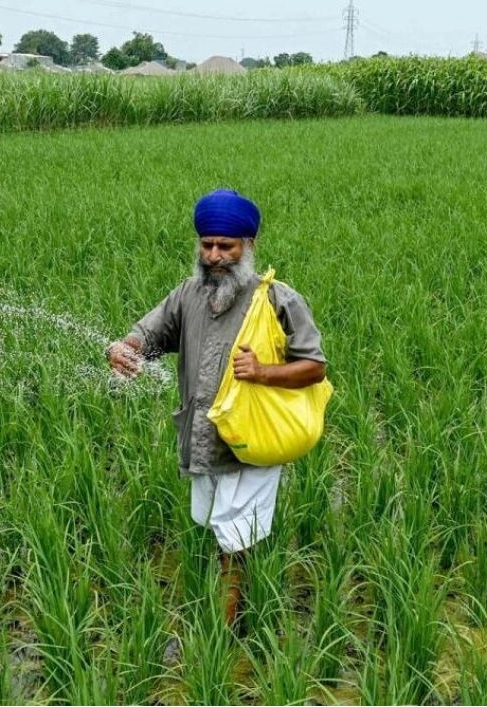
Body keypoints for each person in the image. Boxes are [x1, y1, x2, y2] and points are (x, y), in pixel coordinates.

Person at [106, 188, 327, 627]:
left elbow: (314, 367)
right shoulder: (188, 294)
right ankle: (229, 597)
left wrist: (264, 372)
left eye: (225, 246)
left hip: (252, 440)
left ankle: (226, 628)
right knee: (213, 524)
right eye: (206, 245)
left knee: (234, 538)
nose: (213, 255)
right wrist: (125, 349)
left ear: (248, 246)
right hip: (203, 435)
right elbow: (150, 335)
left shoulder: (278, 300)